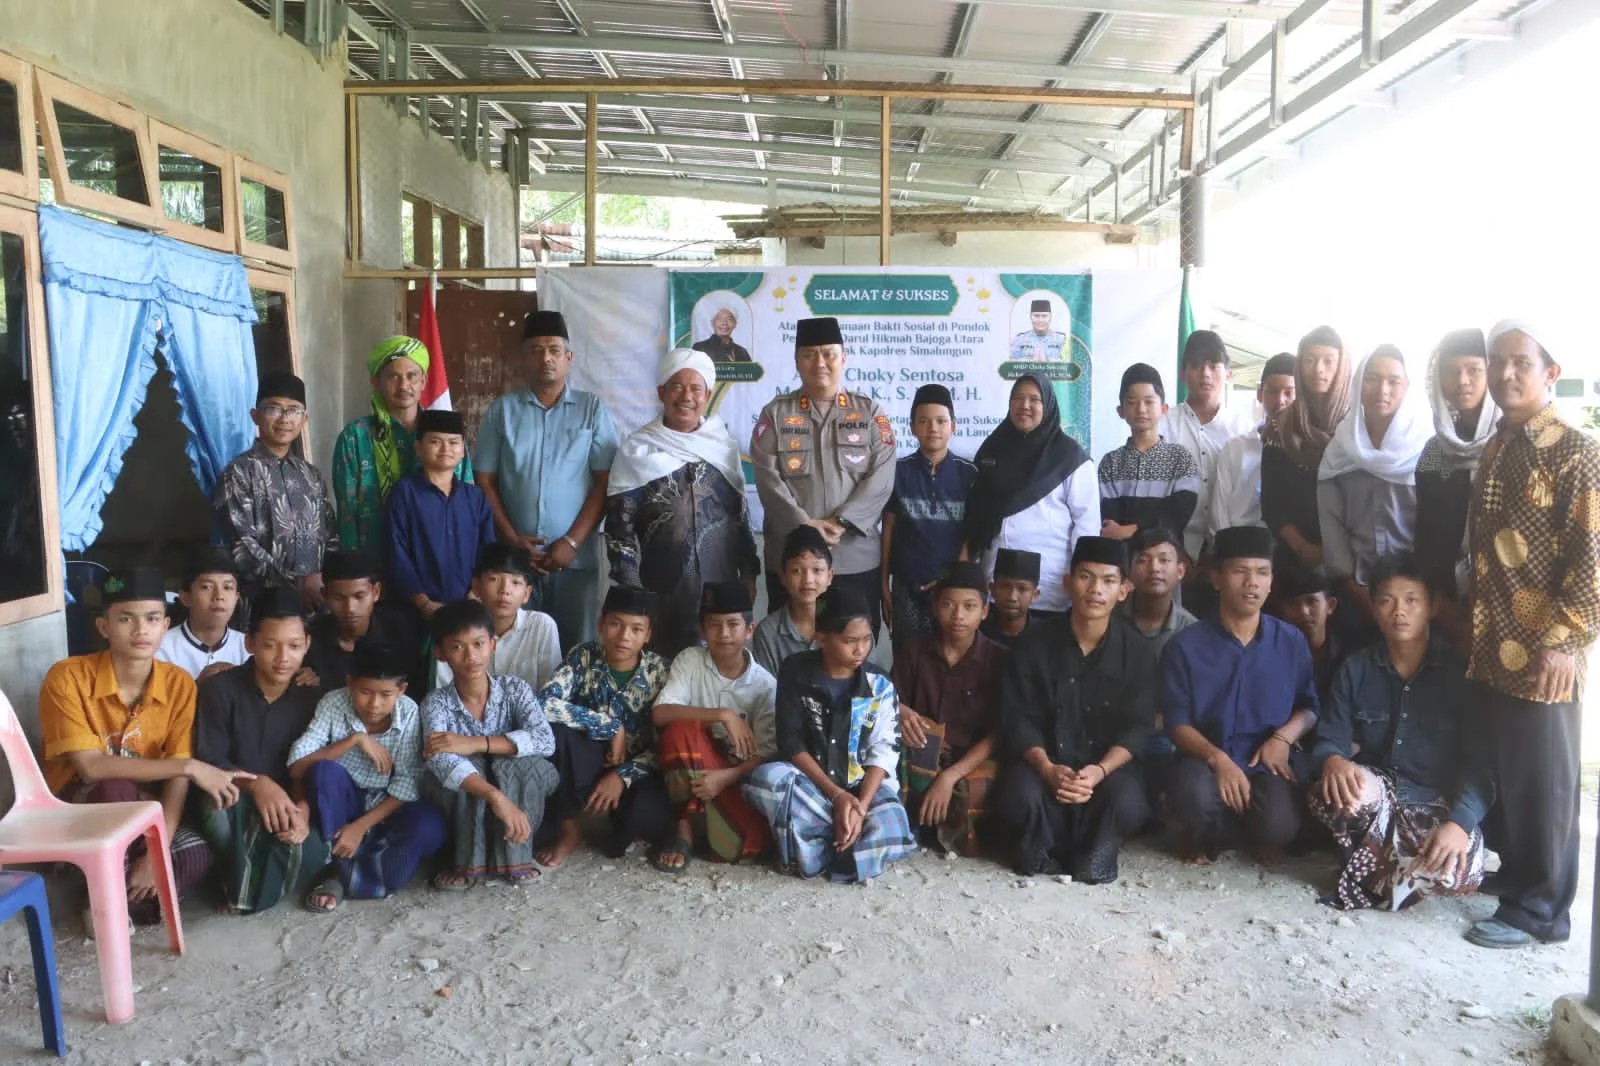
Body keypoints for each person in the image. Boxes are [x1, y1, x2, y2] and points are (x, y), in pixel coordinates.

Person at [1462, 319, 1600, 950]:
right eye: (1498, 362)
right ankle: (1518, 879)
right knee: (1513, 769)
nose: (1505, 374)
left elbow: (1591, 556)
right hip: (1496, 642)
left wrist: (1565, 641)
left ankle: (1543, 910)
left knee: (1547, 780)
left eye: (1520, 362)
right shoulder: (1500, 443)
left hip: (1546, 648)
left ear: (1550, 373)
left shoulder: (1577, 451)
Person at [39, 568, 249, 924]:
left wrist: (155, 853)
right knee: (115, 787)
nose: (140, 631)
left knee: (197, 853)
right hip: (79, 807)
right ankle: (107, 892)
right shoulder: (69, 677)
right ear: (104, 627)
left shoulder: (180, 684)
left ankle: (109, 900)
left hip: (144, 811)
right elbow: (92, 767)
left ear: (165, 625)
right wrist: (190, 766)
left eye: (151, 619)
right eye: (125, 619)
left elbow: (176, 783)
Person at [1309, 552, 1490, 911]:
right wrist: (1333, 759)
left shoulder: (1460, 675)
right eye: (1387, 601)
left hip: (1437, 801)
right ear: (1373, 609)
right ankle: (1396, 870)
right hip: (1380, 795)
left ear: (1432, 607)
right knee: (1336, 791)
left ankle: (1381, 867)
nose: (1399, 611)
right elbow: (1330, 736)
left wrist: (1460, 824)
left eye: (1412, 600)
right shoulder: (1356, 669)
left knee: (1457, 875)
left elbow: (1483, 766)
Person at [992, 537, 1156, 882]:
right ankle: (1040, 847)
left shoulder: (1137, 653)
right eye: (1086, 576)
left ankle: (1098, 849)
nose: (1095, 590)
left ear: (1124, 590)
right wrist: (1048, 768)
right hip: (1046, 769)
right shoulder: (1033, 645)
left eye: (1109, 580)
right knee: (1017, 795)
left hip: (1104, 775)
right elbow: (1018, 718)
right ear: (1068, 582)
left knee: (1128, 801)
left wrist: (1098, 770)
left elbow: (1138, 727)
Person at [1163, 526, 1319, 865]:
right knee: (1192, 797)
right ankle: (1213, 830)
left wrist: (1282, 738)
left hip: (1264, 763)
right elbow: (1177, 723)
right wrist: (1218, 760)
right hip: (1205, 760)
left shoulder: (1290, 641)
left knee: (1280, 825)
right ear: (1217, 578)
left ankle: (1235, 830)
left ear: (1271, 581)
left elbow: (1309, 707)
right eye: (1240, 571)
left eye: (1262, 572)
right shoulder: (1185, 646)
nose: (1252, 583)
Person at [745, 586, 916, 883]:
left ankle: (825, 844)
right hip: (814, 788)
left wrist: (859, 807)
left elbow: (884, 749)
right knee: (768, 780)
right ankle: (852, 848)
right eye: (850, 641)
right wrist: (836, 797)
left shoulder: (879, 683)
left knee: (892, 817)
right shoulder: (796, 672)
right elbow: (791, 741)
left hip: (863, 789)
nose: (860, 650)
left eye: (866, 640)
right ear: (821, 637)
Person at [476, 310, 619, 652]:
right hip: (514, 567)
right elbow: (483, 482)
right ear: (524, 358)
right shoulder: (502, 412)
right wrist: (512, 540)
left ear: (569, 359)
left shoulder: (592, 410)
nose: (546, 358)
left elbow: (605, 483)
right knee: (512, 651)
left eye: (555, 350)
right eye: (536, 350)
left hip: (574, 562)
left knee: (575, 652)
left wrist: (570, 543)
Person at [607, 347, 759, 658]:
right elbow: (619, 531)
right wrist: (635, 595)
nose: (686, 396)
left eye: (695, 388)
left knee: (716, 671)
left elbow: (740, 518)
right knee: (661, 676)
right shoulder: (638, 450)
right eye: (676, 386)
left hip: (720, 592)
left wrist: (749, 575)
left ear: (708, 394)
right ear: (661, 392)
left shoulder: (722, 447)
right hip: (658, 594)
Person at [751, 316, 896, 636]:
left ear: (844, 358)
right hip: (792, 563)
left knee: (853, 646)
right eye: (809, 354)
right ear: (797, 361)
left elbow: (883, 476)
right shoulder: (775, 414)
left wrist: (842, 521)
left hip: (853, 559)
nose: (820, 362)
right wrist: (804, 526)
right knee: (788, 646)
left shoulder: (870, 412)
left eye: (828, 353)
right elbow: (766, 476)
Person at [194, 588, 330, 915]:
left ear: (307, 645)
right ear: (250, 643)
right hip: (235, 795)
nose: (283, 658)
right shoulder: (220, 690)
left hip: (288, 798)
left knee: (307, 848)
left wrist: (303, 808)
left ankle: (245, 887)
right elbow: (209, 760)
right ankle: (235, 880)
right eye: (270, 645)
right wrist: (257, 784)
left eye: (295, 646)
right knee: (215, 806)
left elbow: (311, 764)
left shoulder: (312, 697)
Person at [288, 642, 446, 911]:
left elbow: (408, 782)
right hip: (342, 807)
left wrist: (361, 826)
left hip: (386, 806)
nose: (374, 704)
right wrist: (354, 740)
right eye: (365, 692)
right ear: (350, 683)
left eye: (386, 694)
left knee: (429, 826)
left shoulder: (408, 712)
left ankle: (339, 872)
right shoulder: (333, 703)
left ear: (401, 690)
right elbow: (297, 766)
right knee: (324, 771)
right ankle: (345, 868)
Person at [422, 599, 560, 889]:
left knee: (521, 767)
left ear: (493, 645)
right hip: (472, 791)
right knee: (460, 773)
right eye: (458, 646)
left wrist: (476, 744)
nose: (471, 655)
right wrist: (496, 797)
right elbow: (439, 758)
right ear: (441, 653)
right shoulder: (436, 703)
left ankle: (515, 858)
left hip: (513, 779)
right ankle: (465, 862)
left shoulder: (515, 689)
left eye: (478, 643)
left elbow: (545, 740)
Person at [535, 585, 673, 869]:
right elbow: (544, 703)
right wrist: (611, 727)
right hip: (586, 760)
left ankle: (619, 824)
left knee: (643, 821)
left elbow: (664, 744)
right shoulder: (583, 656)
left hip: (636, 768)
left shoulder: (661, 671)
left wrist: (622, 776)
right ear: (601, 624)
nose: (624, 637)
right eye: (615, 625)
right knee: (557, 735)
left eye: (636, 629)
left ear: (648, 635)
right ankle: (570, 830)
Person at [652, 581, 778, 870]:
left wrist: (726, 776)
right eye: (714, 625)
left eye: (733, 624)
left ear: (749, 630)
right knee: (679, 730)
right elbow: (660, 713)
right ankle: (683, 829)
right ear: (702, 629)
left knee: (744, 846)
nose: (723, 634)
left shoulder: (765, 685)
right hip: (692, 764)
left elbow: (769, 754)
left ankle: (707, 825)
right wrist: (723, 715)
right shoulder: (691, 660)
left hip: (735, 777)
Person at [892, 562, 1008, 857]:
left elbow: (998, 735)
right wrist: (902, 710)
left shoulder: (1000, 660)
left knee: (977, 789)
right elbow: (888, 700)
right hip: (922, 753)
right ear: (934, 607)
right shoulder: (913, 651)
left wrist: (950, 776)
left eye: (969, 606)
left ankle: (947, 828)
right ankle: (910, 827)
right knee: (896, 760)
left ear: (984, 611)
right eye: (948, 605)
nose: (958, 616)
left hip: (970, 759)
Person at [964, 375, 1098, 616]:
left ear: (1047, 406)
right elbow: (975, 517)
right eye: (1017, 398)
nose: (1024, 405)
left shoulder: (1070, 458)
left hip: (1050, 588)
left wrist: (1080, 580)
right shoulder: (992, 449)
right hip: (996, 587)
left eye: (1034, 399)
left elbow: (1086, 526)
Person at [331, 336, 472, 554]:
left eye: (412, 376)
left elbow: (466, 500)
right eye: (393, 376)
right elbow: (347, 511)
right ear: (376, 382)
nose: (404, 385)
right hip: (374, 558)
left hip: (437, 557)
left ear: (424, 381)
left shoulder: (446, 434)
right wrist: (355, 569)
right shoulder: (355, 437)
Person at [1317, 346, 1428, 621]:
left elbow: (1440, 521)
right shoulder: (1341, 447)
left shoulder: (1428, 448)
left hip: (1417, 591)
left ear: (1408, 387)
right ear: (1358, 384)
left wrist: (1418, 590)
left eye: (1394, 381)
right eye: (1373, 378)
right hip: (1355, 588)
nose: (1383, 389)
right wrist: (1352, 585)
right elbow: (1331, 521)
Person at [214, 371, 335, 606]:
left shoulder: (312, 476)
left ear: (304, 419)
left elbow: (331, 537)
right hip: (263, 606)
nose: (285, 419)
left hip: (315, 606)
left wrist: (327, 584)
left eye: (294, 410)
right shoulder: (238, 472)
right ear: (255, 416)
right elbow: (241, 545)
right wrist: (298, 583)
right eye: (274, 409)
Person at [880, 383, 978, 651]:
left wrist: (952, 577)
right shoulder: (897, 472)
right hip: (906, 588)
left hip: (951, 591)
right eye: (923, 421)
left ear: (953, 426)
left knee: (949, 656)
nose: (932, 428)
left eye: (940, 421)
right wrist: (884, 585)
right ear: (912, 427)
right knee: (909, 658)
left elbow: (971, 535)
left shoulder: (969, 475)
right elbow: (888, 528)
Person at [1414, 328, 1497, 629]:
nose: (1462, 381)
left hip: (1505, 604)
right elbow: (1425, 533)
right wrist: (1436, 598)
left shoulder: (1511, 443)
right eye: (1451, 371)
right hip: (1446, 603)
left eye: (1474, 370)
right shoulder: (1435, 452)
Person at [383, 408, 495, 620]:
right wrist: (424, 603)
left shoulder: (475, 497)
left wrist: (474, 594)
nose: (446, 449)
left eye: (453, 442)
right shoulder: (404, 494)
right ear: (418, 447)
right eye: (435, 442)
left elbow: (487, 549)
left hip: (468, 607)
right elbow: (396, 553)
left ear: (463, 450)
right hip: (414, 611)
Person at [1160, 331, 1255, 570]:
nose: (1205, 374)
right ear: (1183, 374)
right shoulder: (1164, 424)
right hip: (1173, 550)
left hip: (1229, 552)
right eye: (1196, 365)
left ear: (1228, 373)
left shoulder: (1244, 430)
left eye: (1214, 365)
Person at [1262, 326, 1353, 574]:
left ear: (1342, 367)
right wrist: (1303, 548)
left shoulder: (1357, 428)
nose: (1318, 370)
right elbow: (1271, 503)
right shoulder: (1280, 426)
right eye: (1310, 360)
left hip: (1354, 559)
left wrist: (1338, 550)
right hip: (1294, 560)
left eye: (1328, 361)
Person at [433, 543, 561, 692]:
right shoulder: (455, 626)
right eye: (494, 579)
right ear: (476, 587)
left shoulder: (542, 626)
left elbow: (551, 692)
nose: (505, 590)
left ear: (527, 593)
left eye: (516, 582)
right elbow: (443, 690)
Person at [301, 549, 427, 696]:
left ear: (376, 592)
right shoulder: (310, 640)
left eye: (359, 596)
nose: (350, 609)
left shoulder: (400, 633)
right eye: (339, 598)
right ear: (325, 595)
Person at [1098, 363, 1199, 540]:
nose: (1141, 409)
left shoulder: (1181, 459)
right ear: (1120, 411)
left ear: (1164, 409)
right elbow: (1109, 526)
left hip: (1166, 561)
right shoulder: (1110, 463)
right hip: (1122, 562)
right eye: (1132, 402)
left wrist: (1130, 531)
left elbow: (1177, 517)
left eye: (1149, 401)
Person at [1209, 353, 1298, 537]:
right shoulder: (1235, 448)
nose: (1280, 401)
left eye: (1289, 393)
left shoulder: (1307, 452)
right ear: (1260, 394)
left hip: (1289, 551)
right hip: (1239, 548)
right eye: (1273, 392)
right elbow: (1219, 512)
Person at [751, 525, 834, 677]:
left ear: (830, 576)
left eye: (817, 570)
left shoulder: (848, 622)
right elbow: (766, 693)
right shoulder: (768, 632)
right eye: (796, 571)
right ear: (782, 576)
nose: (808, 580)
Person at [156, 546, 247, 681]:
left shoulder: (248, 648)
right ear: (185, 597)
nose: (219, 596)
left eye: (228, 587)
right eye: (207, 587)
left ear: (236, 598)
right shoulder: (161, 649)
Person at [1119, 527, 1196, 661]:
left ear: (1180, 571)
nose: (1154, 568)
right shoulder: (1108, 618)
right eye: (1143, 560)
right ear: (1129, 570)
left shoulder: (1193, 631)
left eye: (1164, 560)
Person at [1273, 565, 1344, 706]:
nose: (1304, 612)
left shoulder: (1348, 657)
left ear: (1330, 606)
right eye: (1293, 604)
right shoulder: (1273, 656)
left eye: (1311, 601)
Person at [980, 548, 1042, 648]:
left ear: (1035, 595)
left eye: (1022, 589)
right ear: (992, 589)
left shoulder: (1043, 637)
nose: (1012, 597)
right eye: (1004, 586)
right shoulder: (976, 631)